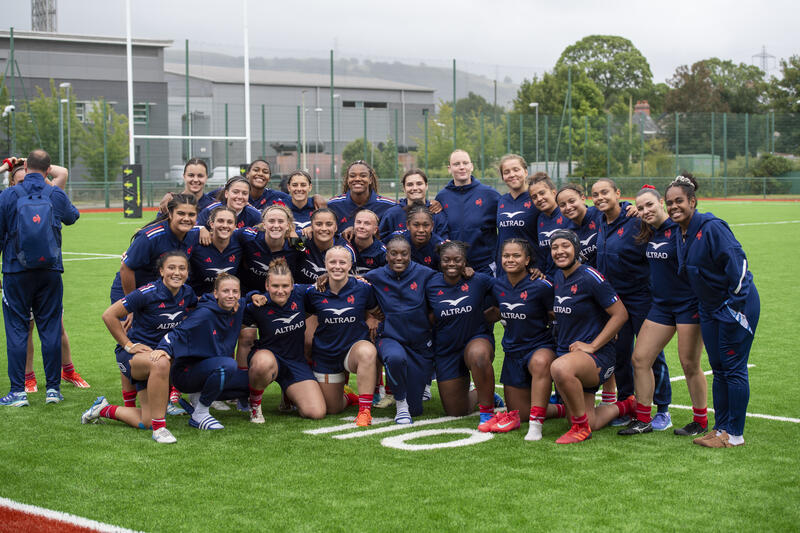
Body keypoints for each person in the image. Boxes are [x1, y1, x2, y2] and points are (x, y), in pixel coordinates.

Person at [668, 175, 759, 448]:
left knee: (733, 369)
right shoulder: (679, 231)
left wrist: (734, 307)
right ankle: (720, 429)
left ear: (693, 201)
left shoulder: (712, 227)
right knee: (718, 369)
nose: (674, 207)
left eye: (679, 201)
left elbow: (739, 268)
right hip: (708, 308)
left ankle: (735, 435)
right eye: (669, 202)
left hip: (734, 306)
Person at [618, 185, 707, 436]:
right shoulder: (649, 232)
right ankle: (644, 419)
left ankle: (700, 421)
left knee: (689, 364)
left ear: (661, 203)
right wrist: (629, 208)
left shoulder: (681, 229)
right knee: (640, 358)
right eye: (641, 207)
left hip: (688, 306)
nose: (645, 210)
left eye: (650, 205)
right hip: (661, 306)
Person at [83, 252, 198, 443]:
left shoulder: (188, 293)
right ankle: (160, 429)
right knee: (161, 361)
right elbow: (109, 315)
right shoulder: (147, 292)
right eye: (171, 268)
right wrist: (128, 345)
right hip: (134, 358)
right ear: (161, 271)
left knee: (145, 421)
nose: (176, 273)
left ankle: (102, 409)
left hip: (155, 361)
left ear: (187, 272)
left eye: (182, 268)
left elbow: (193, 316)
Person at [0, 149, 79, 407]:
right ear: (47, 169)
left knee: (17, 331)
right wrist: (43, 175)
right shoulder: (53, 192)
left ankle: (18, 392)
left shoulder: (9, 194)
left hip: (15, 271)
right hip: (50, 272)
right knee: (51, 329)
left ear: (26, 166)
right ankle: (53, 390)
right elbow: (72, 217)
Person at [593, 178, 672, 429]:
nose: (600, 197)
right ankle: (627, 404)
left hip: (642, 298)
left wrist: (638, 208)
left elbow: (663, 233)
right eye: (595, 194)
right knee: (620, 353)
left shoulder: (636, 219)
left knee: (650, 354)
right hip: (614, 302)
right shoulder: (599, 221)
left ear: (617, 193)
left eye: (605, 192)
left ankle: (663, 409)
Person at [109, 194, 199, 412]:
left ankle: (163, 398)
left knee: (162, 342)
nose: (186, 218)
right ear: (169, 214)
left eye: (191, 214)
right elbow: (126, 268)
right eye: (181, 214)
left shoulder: (193, 234)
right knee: (131, 342)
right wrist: (132, 309)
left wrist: (204, 229)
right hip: (131, 292)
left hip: (162, 293)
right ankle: (130, 403)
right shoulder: (151, 236)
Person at [547, 229, 635, 443]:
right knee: (592, 419)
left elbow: (620, 314)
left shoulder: (590, 277)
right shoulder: (558, 276)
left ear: (576, 249)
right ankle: (627, 405)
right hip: (571, 355)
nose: (560, 251)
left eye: (565, 246)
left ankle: (581, 429)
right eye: (555, 247)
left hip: (597, 358)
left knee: (559, 367)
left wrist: (593, 345)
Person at [482, 239, 560, 440]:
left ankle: (536, 426)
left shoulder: (543, 285)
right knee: (521, 413)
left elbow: (557, 315)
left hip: (540, 345)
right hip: (512, 352)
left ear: (527, 260)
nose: (510, 259)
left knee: (540, 362)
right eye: (506, 255)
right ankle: (562, 409)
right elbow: (495, 311)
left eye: (516, 256)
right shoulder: (496, 285)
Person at [153, 273, 253, 430]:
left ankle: (199, 397)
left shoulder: (238, 307)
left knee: (254, 379)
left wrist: (256, 295)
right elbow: (177, 332)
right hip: (186, 374)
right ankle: (200, 413)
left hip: (211, 369)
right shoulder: (205, 313)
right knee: (228, 365)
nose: (231, 295)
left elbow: (252, 299)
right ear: (216, 293)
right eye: (226, 291)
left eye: (235, 292)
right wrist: (163, 348)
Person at [426, 241, 502, 426]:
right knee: (456, 411)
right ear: (440, 262)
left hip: (476, 339)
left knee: (478, 356)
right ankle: (486, 393)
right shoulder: (430, 285)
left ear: (465, 262)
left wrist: (492, 316)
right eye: (446, 260)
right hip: (446, 350)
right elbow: (427, 316)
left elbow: (508, 291)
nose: (451, 264)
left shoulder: (479, 280)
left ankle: (487, 412)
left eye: (457, 260)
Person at [242, 257, 326, 423]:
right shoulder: (258, 305)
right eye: (275, 286)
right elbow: (235, 305)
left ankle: (288, 395)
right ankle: (255, 407)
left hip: (295, 361)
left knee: (316, 412)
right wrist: (250, 296)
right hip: (268, 358)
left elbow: (329, 282)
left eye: (285, 286)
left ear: (292, 285)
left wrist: (355, 279)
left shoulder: (301, 294)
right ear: (267, 286)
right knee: (262, 363)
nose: (280, 290)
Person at [304, 246, 380, 426]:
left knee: (367, 352)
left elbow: (377, 312)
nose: (337, 266)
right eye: (332, 262)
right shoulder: (313, 291)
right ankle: (347, 396)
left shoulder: (363, 288)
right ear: (325, 264)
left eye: (342, 262)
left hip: (352, 350)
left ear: (350, 265)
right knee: (332, 408)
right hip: (326, 353)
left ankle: (365, 411)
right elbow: (303, 315)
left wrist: (373, 320)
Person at [365, 236, 437, 424]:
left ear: (410, 255)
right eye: (393, 253)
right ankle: (401, 405)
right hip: (390, 337)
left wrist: (467, 270)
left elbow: (448, 281)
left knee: (417, 410)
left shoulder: (425, 274)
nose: (399, 258)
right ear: (386, 255)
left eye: (404, 254)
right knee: (395, 358)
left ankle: (415, 397)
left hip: (419, 344)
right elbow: (351, 283)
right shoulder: (375, 276)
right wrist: (369, 316)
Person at [435, 150, 499, 274]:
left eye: (465, 163)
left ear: (472, 166)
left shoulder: (489, 194)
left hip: (485, 266)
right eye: (456, 164)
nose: (462, 167)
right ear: (449, 169)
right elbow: (438, 229)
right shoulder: (441, 197)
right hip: (454, 267)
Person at [239, 204, 305, 294]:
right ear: (264, 224)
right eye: (271, 221)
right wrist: (212, 235)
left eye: (281, 221)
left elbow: (310, 241)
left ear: (288, 225)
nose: (276, 225)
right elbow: (229, 233)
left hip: (281, 295)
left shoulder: (296, 240)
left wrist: (309, 229)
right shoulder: (249, 236)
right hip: (249, 293)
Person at [327, 160, 396, 233]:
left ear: (370, 180)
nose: (357, 179)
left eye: (363, 176)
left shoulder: (388, 206)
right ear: (347, 180)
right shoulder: (333, 205)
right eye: (352, 176)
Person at [188, 206, 244, 296]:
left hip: (227, 301)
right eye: (220, 221)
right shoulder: (197, 242)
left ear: (234, 227)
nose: (225, 225)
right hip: (199, 301)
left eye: (230, 222)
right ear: (212, 224)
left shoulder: (240, 243)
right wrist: (200, 228)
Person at [379, 169, 448, 240]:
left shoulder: (436, 213)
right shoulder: (392, 214)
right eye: (410, 184)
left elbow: (442, 245)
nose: (415, 188)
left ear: (426, 186)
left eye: (419, 184)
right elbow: (381, 242)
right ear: (404, 188)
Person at [496, 155, 539, 265]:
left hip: (531, 270)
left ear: (525, 172)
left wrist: (539, 265)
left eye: (516, 170)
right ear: (502, 177)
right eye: (506, 172)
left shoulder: (537, 199)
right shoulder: (501, 201)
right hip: (505, 269)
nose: (512, 175)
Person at [296, 208, 354, 284]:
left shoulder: (345, 250)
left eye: (329, 224)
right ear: (311, 226)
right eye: (318, 224)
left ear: (336, 227)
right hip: (302, 291)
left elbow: (351, 279)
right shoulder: (303, 239)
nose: (324, 228)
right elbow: (286, 240)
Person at [528, 172, 569, 279]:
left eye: (542, 193)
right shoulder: (540, 219)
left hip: (569, 279)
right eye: (534, 197)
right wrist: (539, 268)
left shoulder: (567, 213)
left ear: (554, 192)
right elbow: (543, 254)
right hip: (549, 279)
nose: (539, 198)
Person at [392, 204, 447, 271]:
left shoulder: (439, 247)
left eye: (426, 225)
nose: (421, 230)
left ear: (432, 226)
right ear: (408, 225)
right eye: (416, 225)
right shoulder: (396, 239)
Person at [196, 176, 262, 230]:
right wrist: (201, 229)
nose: (240, 196)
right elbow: (194, 228)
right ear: (226, 193)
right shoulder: (210, 211)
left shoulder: (255, 215)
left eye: (244, 193)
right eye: (235, 192)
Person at [286, 170, 325, 235]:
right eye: (295, 185)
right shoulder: (281, 208)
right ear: (289, 187)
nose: (299, 189)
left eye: (303, 185)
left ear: (310, 187)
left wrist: (315, 228)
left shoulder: (318, 206)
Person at [351, 209, 387, 275]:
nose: (361, 226)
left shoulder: (382, 252)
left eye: (367, 224)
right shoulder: (344, 243)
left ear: (375, 230)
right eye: (358, 222)